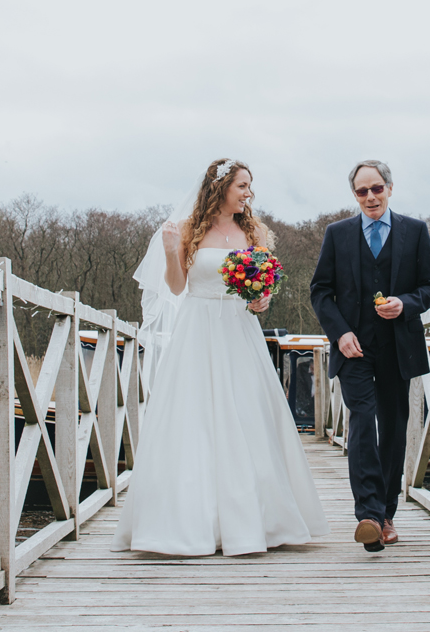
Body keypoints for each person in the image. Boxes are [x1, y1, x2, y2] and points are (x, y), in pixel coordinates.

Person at [114, 158, 329, 556]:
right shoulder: (187, 230)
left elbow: (261, 289)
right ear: (221, 187)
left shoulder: (255, 231)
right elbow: (177, 289)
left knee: (249, 416)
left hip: (239, 330)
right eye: (242, 185)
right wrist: (168, 252)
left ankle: (257, 522)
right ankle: (188, 523)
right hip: (197, 329)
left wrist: (261, 299)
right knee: (193, 420)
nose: (249, 193)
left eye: (250, 186)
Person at [309, 160, 430, 552]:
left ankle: (386, 513)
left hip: (398, 348)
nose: (370, 197)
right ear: (354, 195)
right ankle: (367, 515)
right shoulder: (337, 234)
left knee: (395, 426)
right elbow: (320, 291)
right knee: (363, 422)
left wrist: (405, 303)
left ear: (389, 188)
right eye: (361, 191)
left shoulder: (415, 231)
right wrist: (341, 333)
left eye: (376, 188)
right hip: (353, 349)